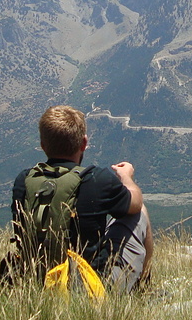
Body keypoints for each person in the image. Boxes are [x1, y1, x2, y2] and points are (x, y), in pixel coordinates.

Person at [15, 104, 153, 293]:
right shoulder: (96, 179)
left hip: (37, 284)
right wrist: (127, 177)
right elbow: (135, 204)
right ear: (84, 143)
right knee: (139, 214)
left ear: (43, 145)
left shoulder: (24, 181)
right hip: (90, 289)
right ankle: (142, 289)